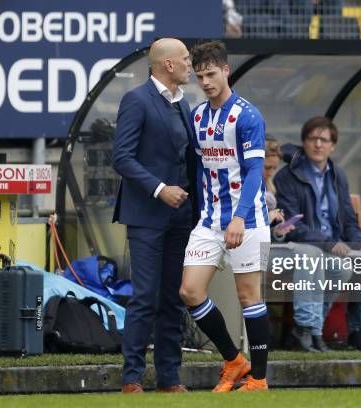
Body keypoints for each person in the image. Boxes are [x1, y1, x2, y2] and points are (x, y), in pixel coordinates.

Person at [179, 40, 271, 392]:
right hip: (209, 220)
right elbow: (201, 168)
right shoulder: (198, 115)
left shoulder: (247, 115)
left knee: (249, 297)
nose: (205, 82)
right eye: (199, 76)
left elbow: (254, 171)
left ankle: (259, 379)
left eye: (211, 74)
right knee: (190, 291)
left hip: (248, 222)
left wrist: (240, 216)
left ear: (226, 70)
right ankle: (234, 360)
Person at [112, 38, 196, 394]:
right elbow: (122, 158)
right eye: (187, 59)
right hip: (147, 214)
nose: (191, 65)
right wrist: (161, 189)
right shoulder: (136, 100)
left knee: (174, 297)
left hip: (182, 217)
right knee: (145, 295)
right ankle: (132, 377)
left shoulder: (184, 103)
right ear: (168, 65)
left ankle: (169, 377)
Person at [273, 116, 361, 352]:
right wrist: (329, 244)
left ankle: (355, 329)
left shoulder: (337, 175)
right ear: (304, 142)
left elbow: (349, 220)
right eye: (313, 139)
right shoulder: (287, 177)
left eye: (324, 140)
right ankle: (310, 330)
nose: (318, 145)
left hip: (339, 247)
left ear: (333, 146)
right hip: (310, 248)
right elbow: (293, 226)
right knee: (340, 268)